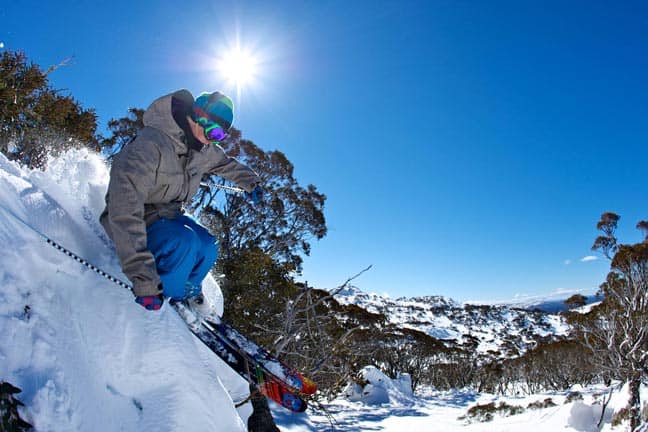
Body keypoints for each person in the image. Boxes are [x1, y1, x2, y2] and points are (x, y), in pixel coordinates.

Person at [100, 89, 262, 311]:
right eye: (214, 132)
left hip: (168, 215)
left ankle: (188, 290)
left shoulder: (203, 149)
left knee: (208, 245)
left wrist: (251, 183)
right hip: (134, 218)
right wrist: (143, 280)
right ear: (199, 117)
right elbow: (124, 211)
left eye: (219, 137)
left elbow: (226, 164)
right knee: (183, 243)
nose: (213, 140)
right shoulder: (150, 145)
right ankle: (168, 292)